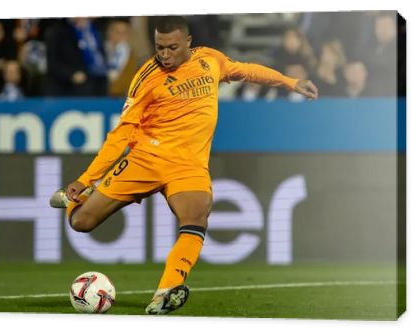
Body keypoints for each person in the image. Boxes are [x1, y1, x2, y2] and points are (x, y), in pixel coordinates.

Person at [50, 15, 318, 315]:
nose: (164, 54)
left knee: (197, 215)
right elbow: (122, 133)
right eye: (159, 47)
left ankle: (164, 292)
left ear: (188, 43)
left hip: (188, 166)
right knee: (82, 223)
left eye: (172, 47)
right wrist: (87, 179)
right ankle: (76, 200)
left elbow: (246, 71)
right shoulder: (146, 77)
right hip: (146, 159)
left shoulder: (210, 60)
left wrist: (290, 82)